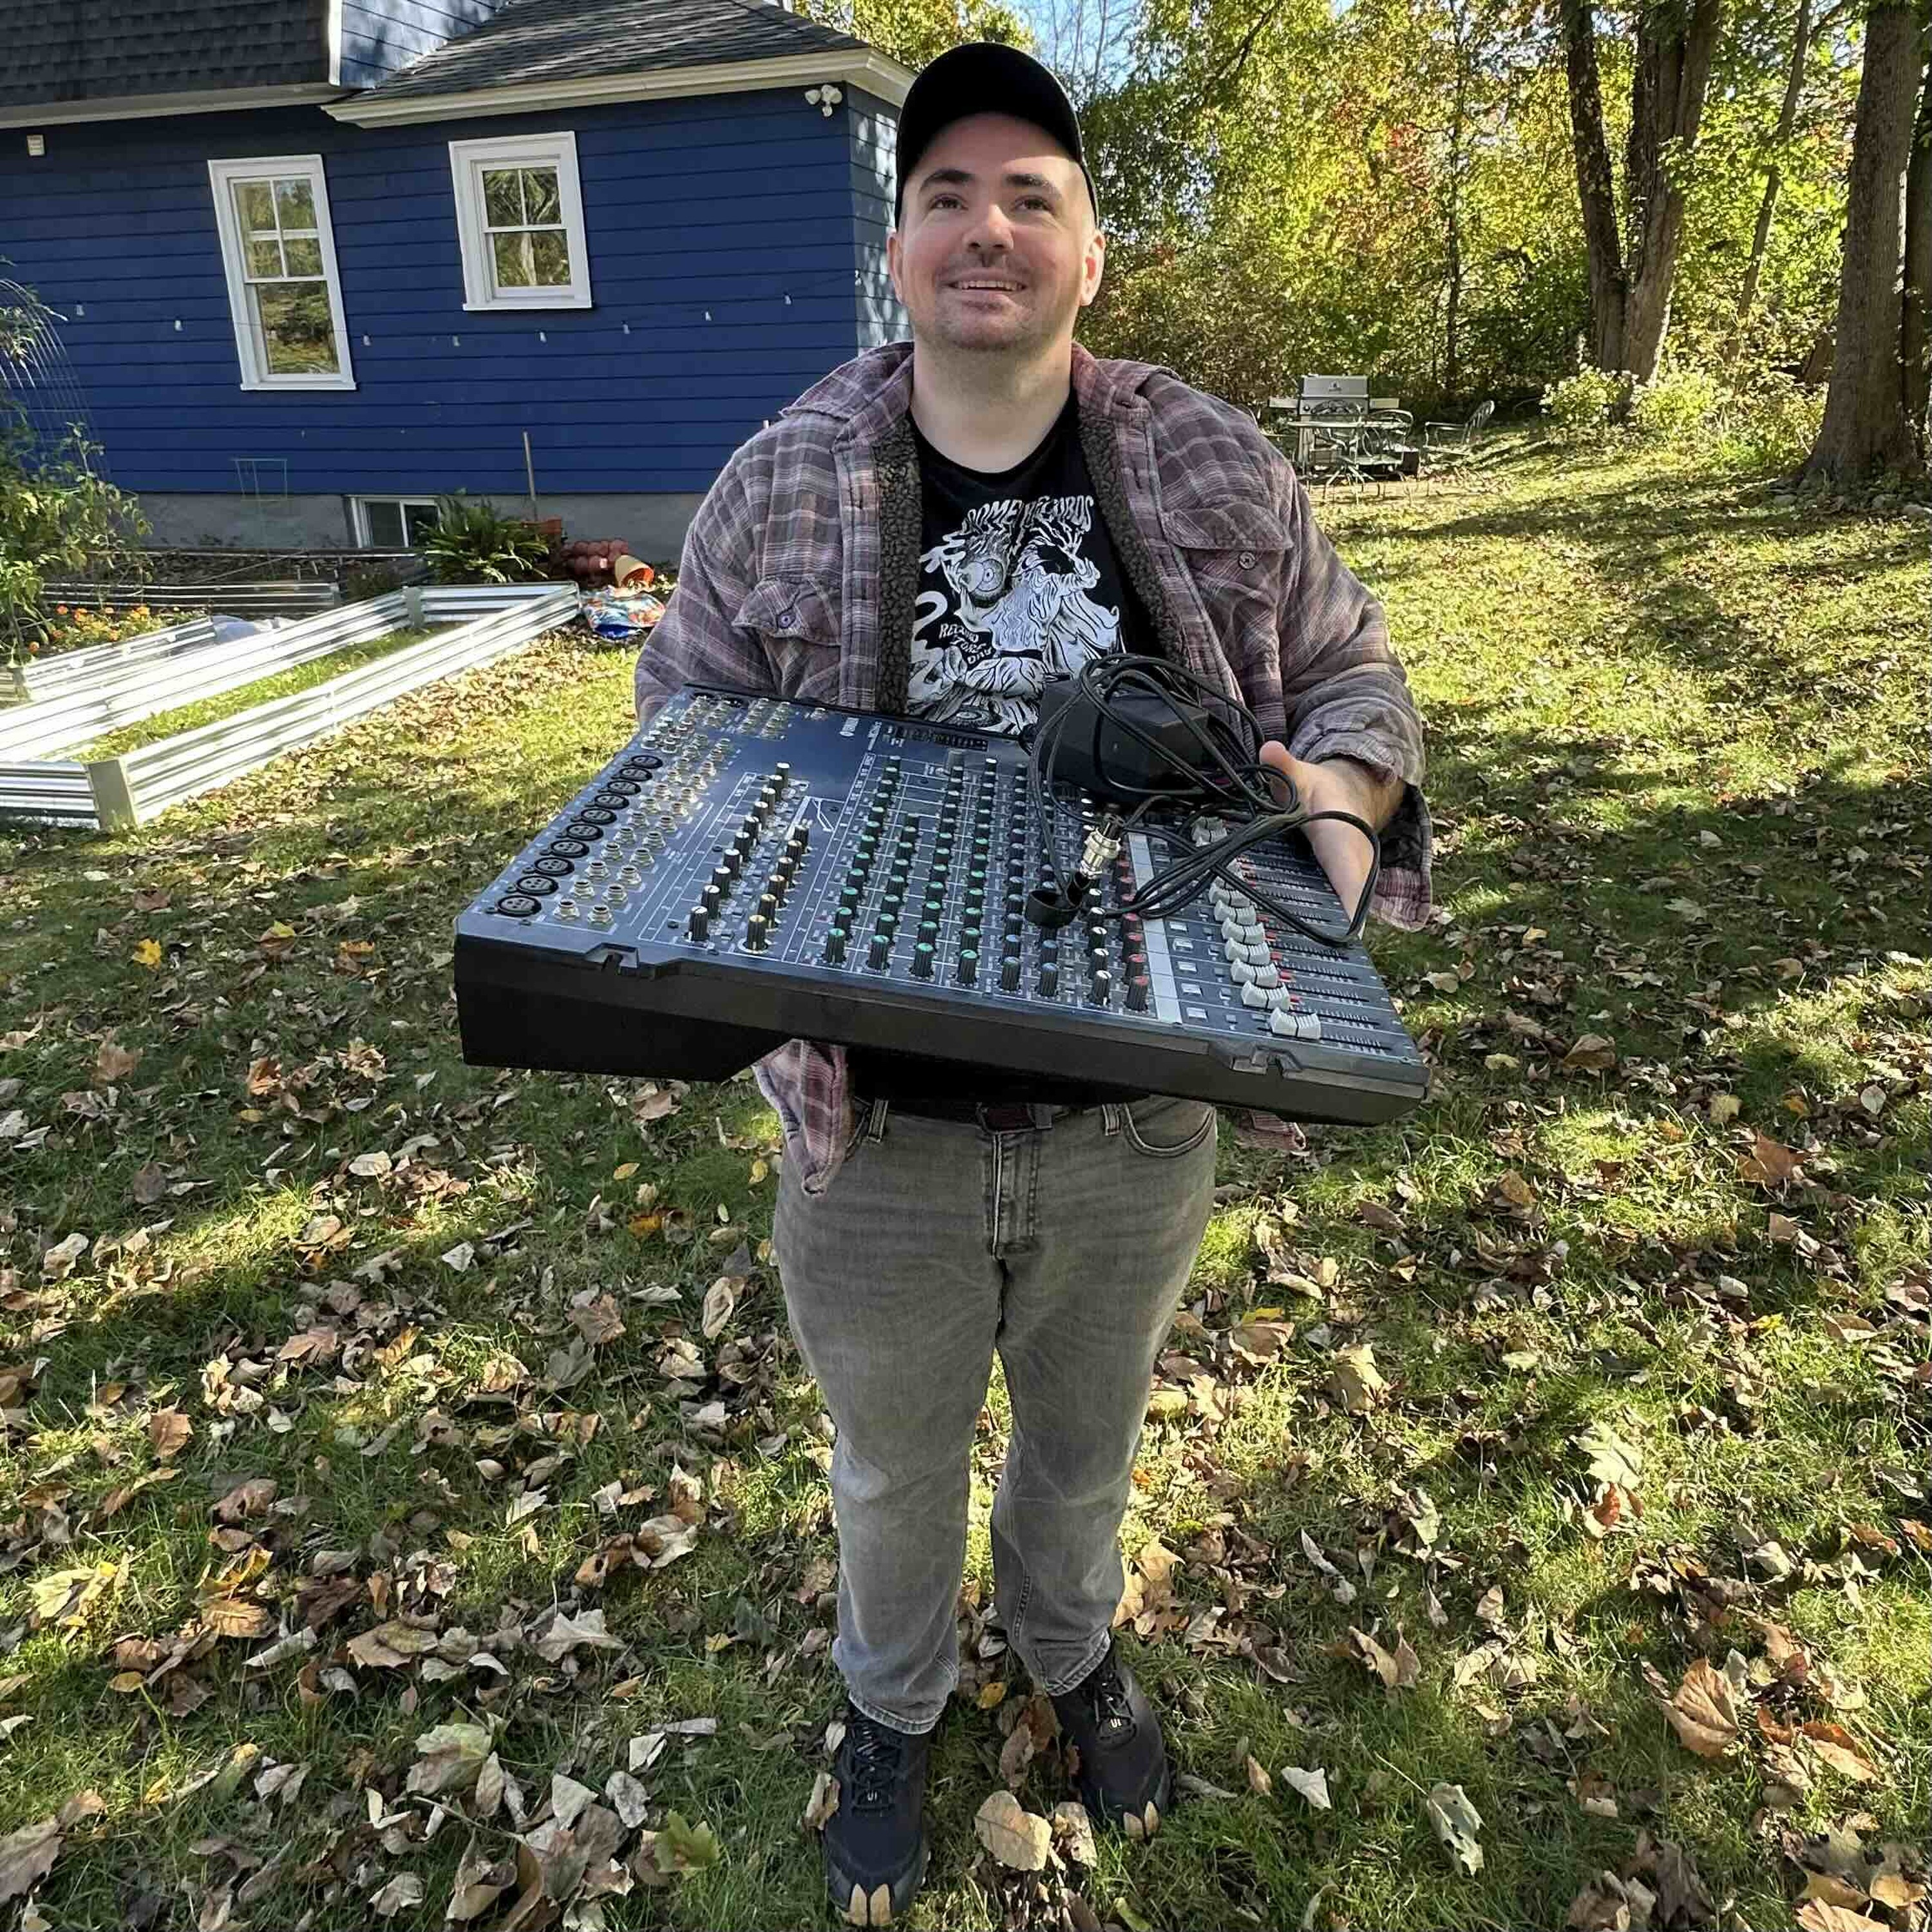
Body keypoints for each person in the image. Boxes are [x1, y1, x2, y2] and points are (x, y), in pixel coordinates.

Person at [634, 41, 1432, 1926]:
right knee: (891, 1473)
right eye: (945, 196)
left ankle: (1070, 1651)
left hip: (1137, 1114)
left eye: (1030, 197)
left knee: (1084, 1451)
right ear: (898, 250)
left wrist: (1340, 803)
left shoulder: (1208, 461)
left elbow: (1350, 669)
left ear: (1090, 252)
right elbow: (676, 721)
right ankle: (892, 1701)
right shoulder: (783, 478)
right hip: (877, 1128)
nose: (985, 229)